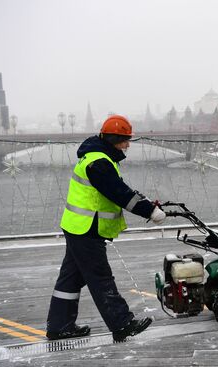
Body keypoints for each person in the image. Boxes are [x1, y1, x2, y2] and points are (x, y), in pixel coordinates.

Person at [46, 115, 166, 342]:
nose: (128, 145)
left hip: (78, 227)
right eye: (124, 140)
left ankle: (60, 326)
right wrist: (149, 211)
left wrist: (147, 202)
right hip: (87, 228)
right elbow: (118, 193)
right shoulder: (99, 162)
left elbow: (119, 189)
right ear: (113, 139)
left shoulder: (96, 157)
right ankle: (122, 324)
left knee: (69, 279)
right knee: (100, 277)